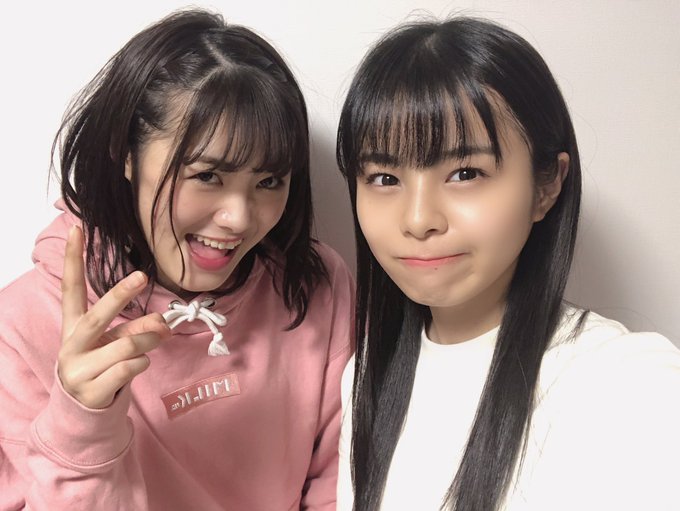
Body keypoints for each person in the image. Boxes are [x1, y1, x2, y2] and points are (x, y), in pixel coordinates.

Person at [0, 8, 354, 510]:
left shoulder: (314, 285)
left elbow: (342, 483)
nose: (238, 218)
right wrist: (81, 425)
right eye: (207, 176)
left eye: (269, 181)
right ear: (126, 153)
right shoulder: (20, 328)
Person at [335, 16, 680, 511]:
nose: (418, 219)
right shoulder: (367, 374)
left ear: (546, 186)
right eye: (384, 178)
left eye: (465, 172)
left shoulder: (627, 385)